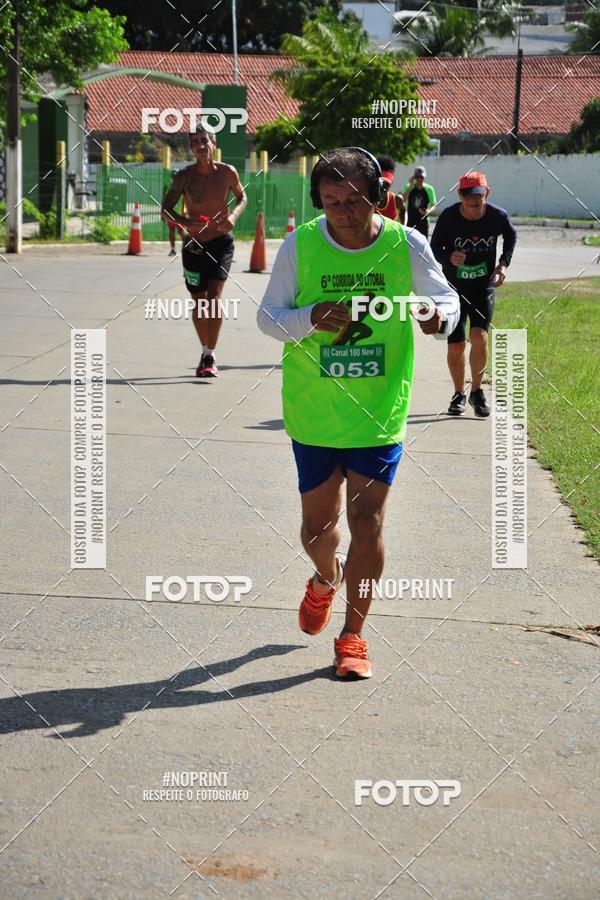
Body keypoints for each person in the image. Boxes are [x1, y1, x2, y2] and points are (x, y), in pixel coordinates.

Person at [257, 147, 459, 679]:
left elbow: (446, 296)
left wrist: (438, 315)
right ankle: (326, 579)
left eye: (354, 200)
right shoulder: (301, 246)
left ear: (382, 198)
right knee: (317, 533)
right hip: (314, 410)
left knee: (367, 523)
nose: (343, 212)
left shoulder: (405, 243)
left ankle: (353, 638)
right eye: (331, 202)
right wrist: (308, 317)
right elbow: (268, 318)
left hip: (378, 409)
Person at [161, 124, 247, 378]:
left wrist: (233, 216)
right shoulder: (184, 177)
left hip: (220, 241)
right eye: (195, 141)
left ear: (213, 144)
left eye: (204, 140)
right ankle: (204, 351)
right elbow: (165, 210)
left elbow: (242, 197)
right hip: (193, 245)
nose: (200, 145)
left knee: (213, 297)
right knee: (198, 302)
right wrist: (186, 223)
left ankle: (210, 353)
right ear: (191, 148)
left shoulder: (227, 173)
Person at [430, 171, 517, 417]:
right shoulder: (448, 218)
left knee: (479, 336)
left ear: (486, 194)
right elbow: (434, 248)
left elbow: (511, 236)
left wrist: (503, 264)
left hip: (483, 287)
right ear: (460, 195)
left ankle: (477, 392)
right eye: (468, 200)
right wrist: (448, 257)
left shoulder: (497, 216)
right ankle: (459, 393)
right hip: (453, 290)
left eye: (477, 200)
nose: (472, 206)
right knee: (456, 344)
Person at [402, 165, 436, 239]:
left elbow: (434, 205)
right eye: (417, 177)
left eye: (421, 177)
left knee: (423, 246)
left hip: (423, 222)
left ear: (424, 177)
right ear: (414, 177)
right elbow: (403, 200)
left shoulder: (429, 189)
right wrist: (411, 186)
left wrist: (428, 211)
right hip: (410, 221)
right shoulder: (408, 186)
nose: (419, 179)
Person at [376, 156, 406, 224]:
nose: (383, 188)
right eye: (381, 183)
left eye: (386, 184)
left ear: (391, 183)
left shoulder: (397, 200)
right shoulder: (367, 200)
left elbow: (403, 213)